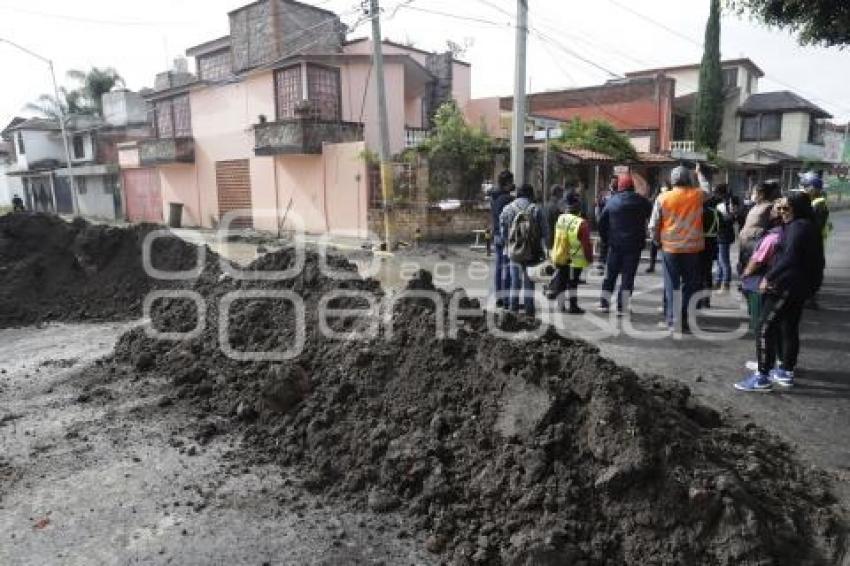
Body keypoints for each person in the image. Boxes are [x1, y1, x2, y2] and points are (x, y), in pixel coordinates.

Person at [734, 193, 825, 391]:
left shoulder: (798, 228)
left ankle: (762, 376)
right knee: (788, 327)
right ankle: (785, 371)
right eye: (780, 208)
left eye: (786, 208)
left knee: (764, 327)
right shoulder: (806, 225)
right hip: (798, 286)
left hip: (786, 284)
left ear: (797, 209)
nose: (781, 212)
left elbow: (790, 257)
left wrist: (770, 277)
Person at [648, 165, 705, 332]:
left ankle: (674, 320)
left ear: (672, 181)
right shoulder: (697, 195)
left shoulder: (663, 197)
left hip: (670, 248)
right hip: (692, 249)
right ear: (688, 179)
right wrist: (699, 174)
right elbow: (708, 188)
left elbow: (653, 225)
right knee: (690, 285)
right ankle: (684, 317)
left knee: (672, 285)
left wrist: (657, 241)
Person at [597, 173, 652, 314]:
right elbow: (652, 216)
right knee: (628, 276)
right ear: (632, 187)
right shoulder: (642, 201)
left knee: (610, 275)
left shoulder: (612, 201)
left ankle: (604, 303)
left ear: (620, 187)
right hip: (634, 245)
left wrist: (606, 240)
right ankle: (622, 306)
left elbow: (602, 223)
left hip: (615, 245)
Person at [500, 183, 546, 316]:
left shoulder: (508, 209)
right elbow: (544, 232)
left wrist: (508, 245)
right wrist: (544, 250)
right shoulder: (536, 209)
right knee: (529, 281)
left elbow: (503, 231)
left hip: (514, 251)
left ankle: (513, 310)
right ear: (530, 194)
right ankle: (529, 311)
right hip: (532, 251)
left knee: (515, 280)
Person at [549, 194, 593, 314]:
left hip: (561, 255)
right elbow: (586, 244)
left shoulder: (561, 218)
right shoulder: (581, 223)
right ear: (578, 208)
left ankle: (560, 305)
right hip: (575, 259)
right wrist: (589, 258)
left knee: (561, 281)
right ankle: (573, 307)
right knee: (572, 283)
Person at [800, 171, 831, 310]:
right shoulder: (814, 202)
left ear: (812, 187)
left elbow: (816, 227)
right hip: (813, 242)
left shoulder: (819, 204)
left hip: (814, 243)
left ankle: (810, 299)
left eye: (805, 185)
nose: (803, 188)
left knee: (811, 271)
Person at [738, 181, 780, 274]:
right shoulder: (754, 206)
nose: (752, 195)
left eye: (754, 192)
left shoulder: (769, 207)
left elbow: (774, 225)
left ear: (761, 194)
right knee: (742, 267)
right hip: (745, 243)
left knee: (753, 268)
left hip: (755, 243)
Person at [489, 170, 515, 308]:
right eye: (511, 182)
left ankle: (499, 297)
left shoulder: (493, 196)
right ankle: (506, 299)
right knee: (508, 267)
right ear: (507, 183)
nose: (513, 184)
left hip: (496, 234)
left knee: (499, 267)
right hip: (506, 236)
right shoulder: (507, 199)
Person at [697, 193, 721, 309]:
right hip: (712, 244)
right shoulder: (717, 213)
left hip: (698, 243)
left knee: (696, 274)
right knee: (707, 273)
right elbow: (721, 227)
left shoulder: (699, 212)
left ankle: (697, 301)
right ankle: (707, 301)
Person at [714, 184, 736, 291]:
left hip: (724, 235)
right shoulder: (724, 203)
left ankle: (725, 282)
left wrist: (721, 220)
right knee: (719, 260)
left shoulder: (726, 204)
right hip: (721, 235)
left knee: (723, 260)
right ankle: (718, 280)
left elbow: (730, 218)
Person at [645, 182, 671, 274]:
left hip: (666, 228)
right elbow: (651, 214)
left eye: (666, 188)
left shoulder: (670, 198)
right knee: (654, 247)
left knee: (664, 249)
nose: (665, 190)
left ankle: (666, 267)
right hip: (657, 226)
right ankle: (652, 265)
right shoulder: (655, 199)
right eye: (663, 188)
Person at [594, 177, 618, 275]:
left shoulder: (619, 195)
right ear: (610, 183)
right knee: (604, 246)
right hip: (605, 225)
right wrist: (599, 220)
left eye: (615, 182)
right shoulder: (604, 195)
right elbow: (598, 208)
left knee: (614, 247)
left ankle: (613, 267)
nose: (613, 184)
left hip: (615, 226)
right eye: (612, 182)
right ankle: (601, 266)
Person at [542, 185, 565, 252]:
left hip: (547, 239)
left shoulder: (546, 205)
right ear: (557, 193)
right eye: (561, 192)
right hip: (554, 239)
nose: (562, 195)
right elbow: (558, 224)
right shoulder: (555, 207)